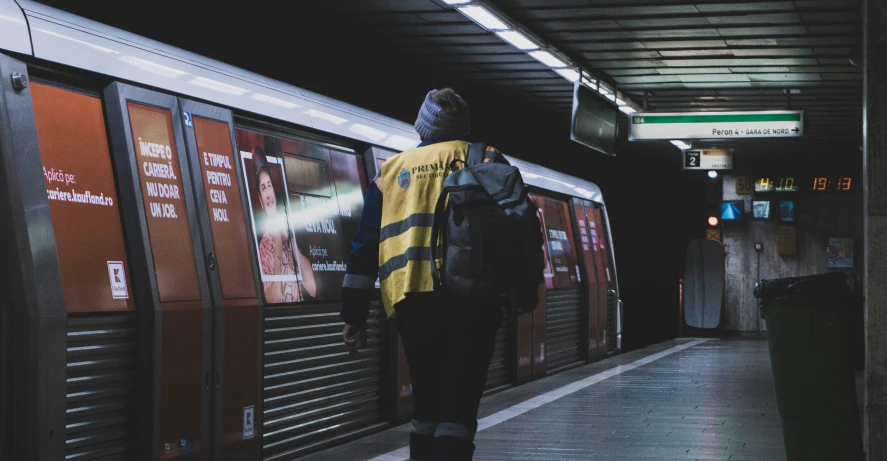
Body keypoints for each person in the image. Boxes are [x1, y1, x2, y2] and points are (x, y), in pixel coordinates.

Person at [339, 88, 543, 460]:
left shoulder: (392, 171)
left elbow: (365, 246)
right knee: (459, 411)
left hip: (412, 301)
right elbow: (524, 227)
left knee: (426, 407)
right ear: (463, 126)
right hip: (475, 300)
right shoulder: (484, 157)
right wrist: (527, 290)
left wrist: (354, 315)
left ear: (422, 126)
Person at [252, 145, 316, 303]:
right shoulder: (263, 250)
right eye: (263, 188)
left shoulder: (289, 232)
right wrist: (278, 252)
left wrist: (291, 243)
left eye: (269, 186)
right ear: (260, 199)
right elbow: (272, 300)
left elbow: (312, 289)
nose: (268, 195)